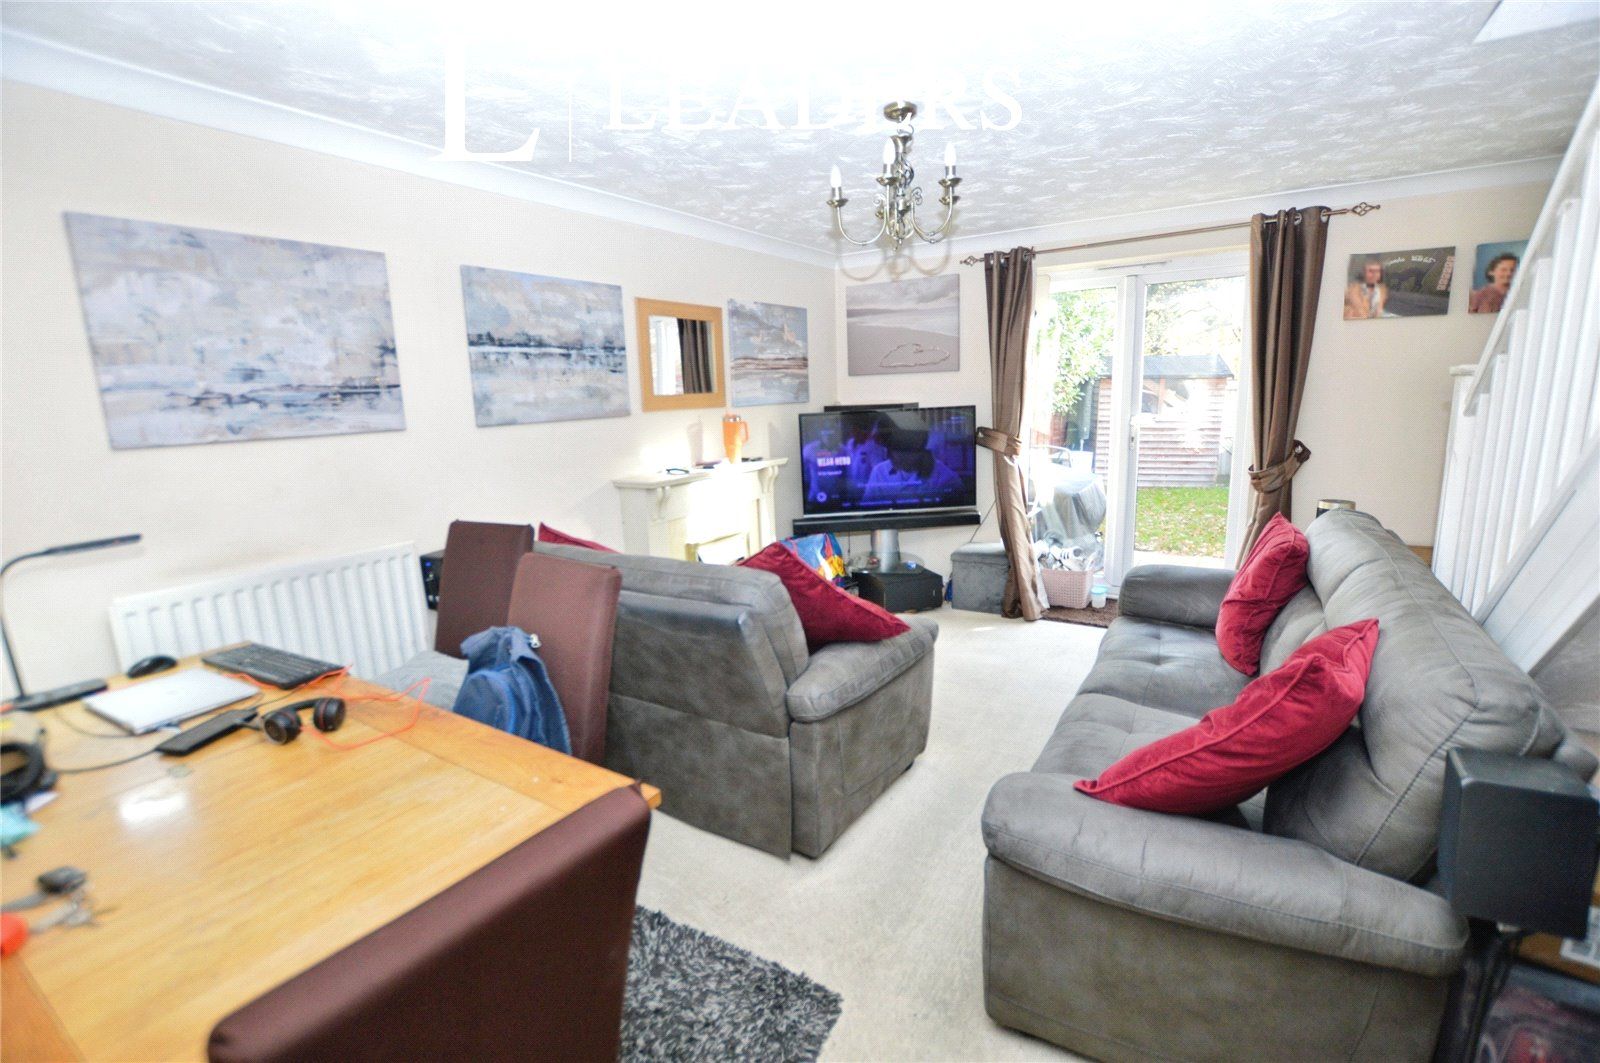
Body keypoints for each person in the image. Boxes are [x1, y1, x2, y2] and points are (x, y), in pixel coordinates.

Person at [861, 428, 962, 507]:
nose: (893, 456)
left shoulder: (947, 479)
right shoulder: (879, 472)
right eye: (892, 449)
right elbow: (867, 511)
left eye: (901, 450)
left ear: (918, 450)